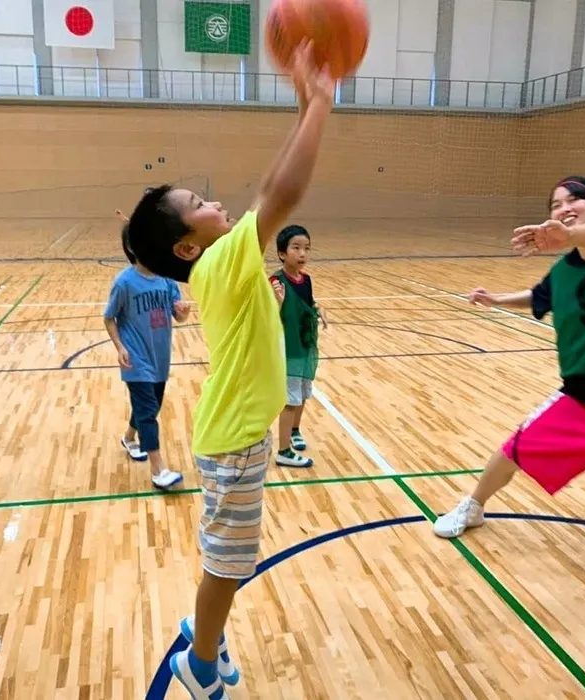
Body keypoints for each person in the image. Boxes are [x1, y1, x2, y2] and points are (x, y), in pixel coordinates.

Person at [125, 42, 334, 700]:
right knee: (229, 561)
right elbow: (283, 190)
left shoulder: (222, 260)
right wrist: (323, 102)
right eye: (198, 204)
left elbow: (271, 186)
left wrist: (303, 103)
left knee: (229, 555)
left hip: (235, 434)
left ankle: (202, 628)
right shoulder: (221, 262)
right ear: (189, 245)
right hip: (236, 440)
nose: (215, 202)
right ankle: (202, 663)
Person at [434, 176, 585, 539]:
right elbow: (538, 297)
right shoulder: (562, 272)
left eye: (575, 199)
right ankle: (473, 506)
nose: (565, 208)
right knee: (514, 450)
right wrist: (497, 300)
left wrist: (571, 237)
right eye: (556, 204)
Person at [103, 224, 190, 489]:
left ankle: (129, 438)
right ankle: (158, 469)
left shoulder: (167, 280)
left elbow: (179, 316)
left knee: (149, 407)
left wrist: (183, 311)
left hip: (160, 357)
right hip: (136, 358)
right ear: (132, 248)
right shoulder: (124, 282)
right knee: (149, 413)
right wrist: (120, 347)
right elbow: (109, 318)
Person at [269, 224, 327, 468]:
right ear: (282, 253)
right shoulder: (275, 281)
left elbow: (308, 303)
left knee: (302, 395)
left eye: (306, 249)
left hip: (305, 345)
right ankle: (283, 451)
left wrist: (319, 309)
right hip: (288, 349)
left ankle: (294, 431)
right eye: (296, 248)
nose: (302, 254)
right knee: (290, 401)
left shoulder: (306, 280)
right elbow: (270, 316)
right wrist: (279, 301)